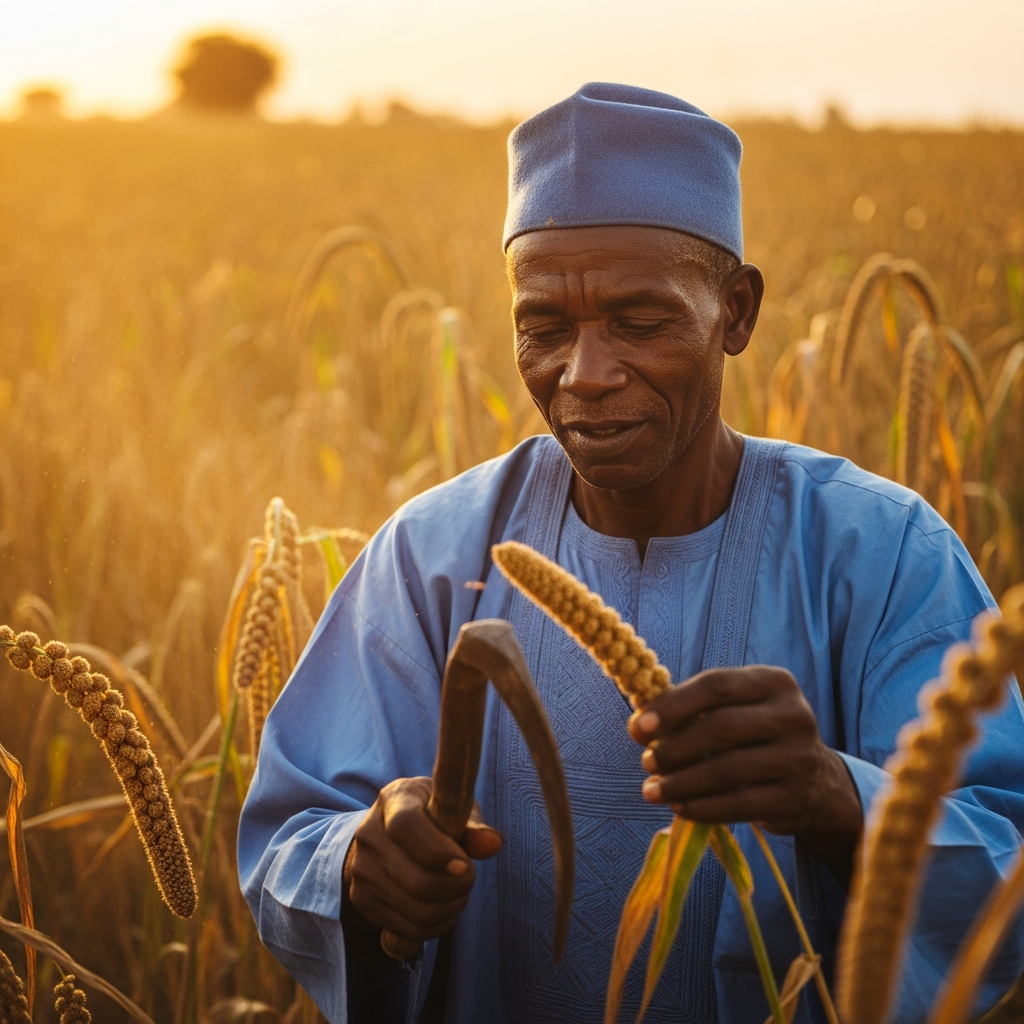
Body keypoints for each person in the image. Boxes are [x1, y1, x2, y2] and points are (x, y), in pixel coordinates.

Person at [238, 83, 1024, 1024]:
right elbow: (290, 832)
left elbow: (1006, 855)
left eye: (639, 322)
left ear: (736, 311)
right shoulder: (430, 553)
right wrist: (361, 863)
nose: (585, 374)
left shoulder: (882, 551)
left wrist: (833, 794)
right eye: (545, 329)